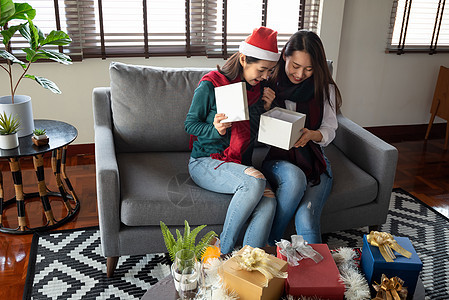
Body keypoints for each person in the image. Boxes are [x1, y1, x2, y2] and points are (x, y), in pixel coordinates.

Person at [184, 27, 280, 254]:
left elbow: (253, 136)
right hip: (205, 161)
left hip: (238, 164)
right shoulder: (210, 84)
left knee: (269, 202)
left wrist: (266, 109)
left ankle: (247, 263)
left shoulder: (257, 91)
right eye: (262, 70)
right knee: (256, 183)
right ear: (244, 59)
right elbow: (189, 124)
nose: (265, 76)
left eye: (269, 71)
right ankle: (222, 250)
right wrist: (214, 129)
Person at [262, 30, 342, 245]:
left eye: (308, 69)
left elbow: (329, 128)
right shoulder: (269, 82)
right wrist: (266, 108)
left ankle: (318, 276)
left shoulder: (324, 87)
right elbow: (253, 133)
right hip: (279, 160)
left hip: (314, 159)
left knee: (306, 218)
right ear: (284, 56)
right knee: (295, 179)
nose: (299, 74)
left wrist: (312, 135)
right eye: (295, 66)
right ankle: (272, 244)